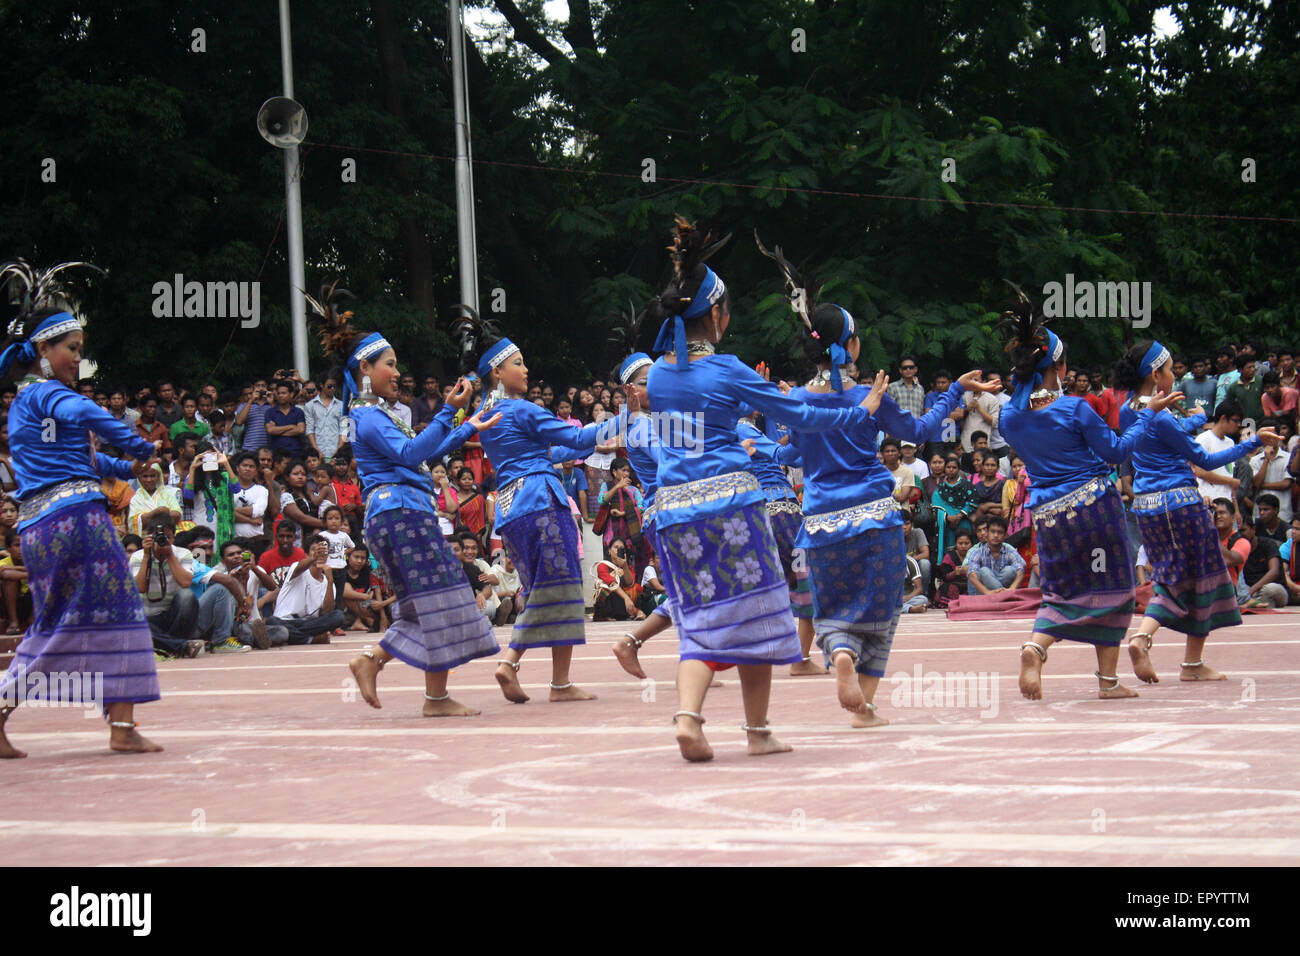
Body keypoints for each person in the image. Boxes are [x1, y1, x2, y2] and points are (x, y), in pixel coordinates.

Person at [643, 223, 916, 761]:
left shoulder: (656, 376)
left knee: (699, 619)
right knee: (762, 612)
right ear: (717, 316)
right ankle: (757, 731)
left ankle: (688, 717)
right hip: (731, 507)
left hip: (673, 511)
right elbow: (798, 416)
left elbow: (686, 437)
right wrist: (857, 412)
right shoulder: (728, 369)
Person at [304, 283, 500, 716]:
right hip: (400, 515)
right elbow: (414, 454)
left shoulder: (376, 416)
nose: (397, 372)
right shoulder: (367, 415)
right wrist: (450, 411)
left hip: (402, 513)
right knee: (443, 594)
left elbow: (423, 452)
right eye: (389, 365)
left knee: (427, 601)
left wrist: (468, 426)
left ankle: (426, 692)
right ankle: (379, 665)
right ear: (364, 370)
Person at [0, 261, 170, 757]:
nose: (78, 359)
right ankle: (115, 725)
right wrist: (138, 444)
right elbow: (86, 413)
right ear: (42, 351)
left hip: (49, 522)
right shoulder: (49, 395)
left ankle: (121, 725)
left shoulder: (29, 405)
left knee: (91, 614)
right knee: (87, 617)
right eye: (71, 349)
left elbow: (84, 458)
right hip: (73, 521)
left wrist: (126, 462)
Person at [996, 285, 1179, 702]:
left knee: (1060, 587)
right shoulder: (1074, 408)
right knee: (1112, 585)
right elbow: (1116, 452)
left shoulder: (1009, 416)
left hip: (1048, 512)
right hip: (1093, 505)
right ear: (1059, 367)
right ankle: (1108, 682)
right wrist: (1147, 415)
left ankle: (1036, 647)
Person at [457, 308, 628, 706]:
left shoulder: (486, 414)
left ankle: (559, 683)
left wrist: (592, 440)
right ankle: (514, 663)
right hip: (542, 501)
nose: (527, 369)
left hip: (511, 508)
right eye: (518, 363)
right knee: (562, 584)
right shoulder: (522, 408)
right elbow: (574, 435)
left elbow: (555, 446)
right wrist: (623, 418)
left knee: (545, 585)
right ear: (497, 372)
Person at [264, 535, 346, 644]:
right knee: (272, 621)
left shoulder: (328, 582)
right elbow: (299, 568)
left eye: (323, 552)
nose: (319, 554)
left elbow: (327, 610)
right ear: (307, 554)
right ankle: (309, 639)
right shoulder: (297, 567)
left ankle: (293, 636)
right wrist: (313, 558)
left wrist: (330, 581)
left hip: (308, 624)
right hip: (284, 620)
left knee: (338, 616)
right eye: (315, 550)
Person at [1192, 400, 1246, 504]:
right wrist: (1229, 481)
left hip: (1227, 501)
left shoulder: (1230, 442)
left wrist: (1236, 509)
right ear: (1223, 418)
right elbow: (1200, 472)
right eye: (1235, 421)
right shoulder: (1203, 439)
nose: (1238, 425)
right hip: (1209, 499)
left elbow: (1229, 474)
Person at [965, 515, 1025, 594]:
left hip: (1006, 590)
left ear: (1004, 535)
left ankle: (1001, 596)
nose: (996, 535)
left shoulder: (1009, 549)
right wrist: (987, 592)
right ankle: (1003, 596)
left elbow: (1020, 569)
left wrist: (1012, 589)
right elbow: (972, 574)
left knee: (1010, 570)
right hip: (983, 595)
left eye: (1000, 532)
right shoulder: (977, 552)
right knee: (984, 571)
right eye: (993, 532)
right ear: (987, 533)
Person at [303, 377, 344, 459]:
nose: (332, 389)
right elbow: (310, 429)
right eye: (329, 386)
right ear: (321, 385)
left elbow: (344, 430)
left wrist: (339, 450)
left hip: (337, 450)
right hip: (318, 450)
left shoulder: (341, 405)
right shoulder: (310, 406)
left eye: (334, 386)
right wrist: (316, 450)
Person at [933, 530, 975, 609]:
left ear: (972, 544)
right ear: (956, 544)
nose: (963, 546)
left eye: (966, 543)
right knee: (949, 587)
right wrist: (954, 573)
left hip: (970, 583)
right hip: (954, 583)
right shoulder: (949, 556)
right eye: (960, 543)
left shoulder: (976, 554)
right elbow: (944, 577)